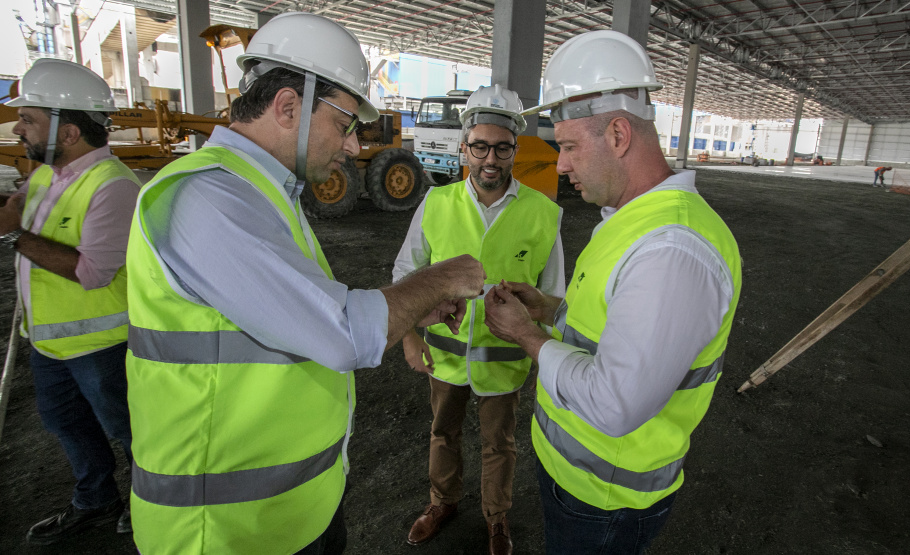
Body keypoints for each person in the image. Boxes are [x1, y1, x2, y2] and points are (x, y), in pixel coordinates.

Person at [124, 13, 484, 555]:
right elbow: (339, 331)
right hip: (222, 532)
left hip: (286, 514)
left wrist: (411, 310)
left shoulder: (262, 194)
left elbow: (299, 316)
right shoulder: (208, 199)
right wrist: (437, 279)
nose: (355, 148)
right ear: (288, 106)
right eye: (343, 125)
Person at [482, 30, 743, 554]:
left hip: (606, 502)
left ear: (619, 135)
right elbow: (613, 327)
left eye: (571, 146)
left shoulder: (672, 250)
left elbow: (615, 402)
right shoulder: (632, 222)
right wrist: (553, 311)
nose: (559, 164)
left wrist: (528, 337)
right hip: (578, 480)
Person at [394, 85, 564, 555]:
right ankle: (442, 502)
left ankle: (496, 517)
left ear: (515, 149)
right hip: (445, 359)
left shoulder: (545, 214)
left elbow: (555, 296)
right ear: (464, 147)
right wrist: (410, 336)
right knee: (443, 432)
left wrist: (541, 355)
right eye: (480, 146)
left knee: (500, 442)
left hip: (505, 363)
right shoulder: (436, 204)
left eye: (502, 147)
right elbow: (404, 275)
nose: (491, 158)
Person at [0, 58, 138, 544]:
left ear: (70, 130)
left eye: (30, 119)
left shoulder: (113, 187)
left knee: (130, 432)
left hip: (103, 346)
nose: (18, 127)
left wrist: (13, 236)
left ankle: (147, 506)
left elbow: (92, 271)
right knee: (68, 426)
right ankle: (96, 501)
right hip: (49, 344)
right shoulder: (43, 177)